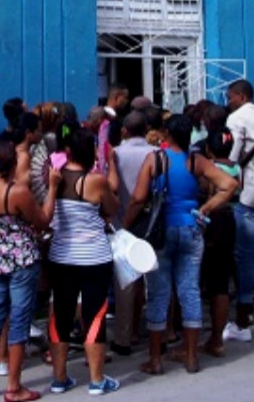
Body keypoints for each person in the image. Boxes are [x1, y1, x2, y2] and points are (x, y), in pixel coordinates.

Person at [126, 115, 237, 375]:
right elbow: (229, 184)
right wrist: (205, 208)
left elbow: (139, 198)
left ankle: (155, 360)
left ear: (167, 133)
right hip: (191, 227)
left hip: (161, 232)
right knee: (189, 291)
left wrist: (126, 226)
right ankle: (191, 356)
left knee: (158, 294)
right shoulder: (195, 161)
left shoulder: (155, 159)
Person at [42, 127, 121, 395]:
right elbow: (112, 208)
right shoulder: (95, 181)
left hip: (61, 256)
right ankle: (97, 380)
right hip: (93, 258)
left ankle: (59, 377)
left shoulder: (54, 178)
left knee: (60, 316)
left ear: (68, 151)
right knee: (94, 315)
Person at [0, 142, 46, 402]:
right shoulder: (18, 192)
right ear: (14, 165)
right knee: (19, 319)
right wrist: (52, 191)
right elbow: (42, 220)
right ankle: (14, 386)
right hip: (21, 260)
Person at [107, 110, 155, 357]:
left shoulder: (116, 153)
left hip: (122, 223)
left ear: (125, 130)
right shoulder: (155, 153)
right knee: (154, 279)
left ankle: (126, 335)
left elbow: (112, 187)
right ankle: (157, 329)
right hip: (150, 222)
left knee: (126, 282)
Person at [223, 79, 254, 342]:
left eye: (230, 97)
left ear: (240, 96)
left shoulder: (236, 119)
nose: (228, 102)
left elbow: (232, 158)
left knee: (245, 253)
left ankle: (244, 310)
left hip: (249, 191)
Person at [200, 128, 240, 357]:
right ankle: (217, 338)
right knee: (222, 282)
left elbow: (210, 194)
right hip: (230, 220)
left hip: (213, 222)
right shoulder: (236, 167)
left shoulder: (212, 170)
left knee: (210, 279)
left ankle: (209, 339)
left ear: (208, 149)